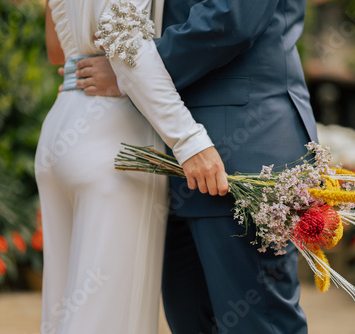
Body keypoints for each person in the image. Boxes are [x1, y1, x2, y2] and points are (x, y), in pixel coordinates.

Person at [77, 1, 319, 333]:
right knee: (189, 317)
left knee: (257, 323)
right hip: (175, 156)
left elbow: (232, 18)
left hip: (243, 147)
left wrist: (129, 69)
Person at [36, 0, 228, 333]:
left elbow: (57, 51)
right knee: (108, 317)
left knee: (63, 311)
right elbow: (128, 45)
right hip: (113, 135)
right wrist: (189, 139)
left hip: (62, 122)